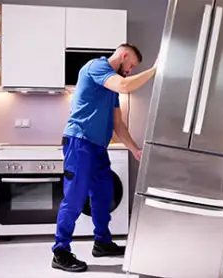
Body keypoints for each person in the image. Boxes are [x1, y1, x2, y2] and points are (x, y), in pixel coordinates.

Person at [52, 43, 157, 273]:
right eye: (130, 66)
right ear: (124, 55)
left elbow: (118, 124)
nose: (129, 71)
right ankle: (60, 251)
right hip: (79, 143)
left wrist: (135, 149)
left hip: (98, 147)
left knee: (103, 195)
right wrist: (155, 70)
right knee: (75, 198)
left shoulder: (111, 88)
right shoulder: (96, 67)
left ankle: (102, 242)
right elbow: (125, 85)